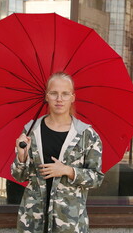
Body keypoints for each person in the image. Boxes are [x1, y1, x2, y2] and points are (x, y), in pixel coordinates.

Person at [11, 72, 104, 233]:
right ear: (47, 96)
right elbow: (19, 176)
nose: (59, 99)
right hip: (33, 220)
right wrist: (21, 155)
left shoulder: (86, 135)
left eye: (65, 94)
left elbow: (96, 178)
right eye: (54, 93)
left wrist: (67, 171)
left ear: (73, 97)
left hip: (69, 223)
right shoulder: (31, 131)